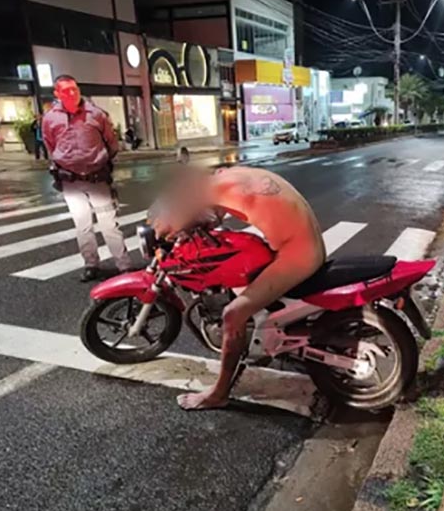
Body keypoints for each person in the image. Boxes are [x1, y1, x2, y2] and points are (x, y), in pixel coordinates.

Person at [151, 165, 326, 410]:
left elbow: (166, 226)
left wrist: (162, 229)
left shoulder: (208, 189)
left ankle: (218, 393)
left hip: (297, 255)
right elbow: (218, 214)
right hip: (302, 243)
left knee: (233, 314)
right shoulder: (232, 176)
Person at [42, 75, 131, 282]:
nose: (72, 94)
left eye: (74, 89)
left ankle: (124, 266)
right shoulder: (50, 118)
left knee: (109, 223)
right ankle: (91, 264)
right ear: (57, 94)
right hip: (70, 181)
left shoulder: (96, 114)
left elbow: (112, 143)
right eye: (66, 91)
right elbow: (50, 145)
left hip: (96, 177)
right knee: (82, 225)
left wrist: (100, 162)